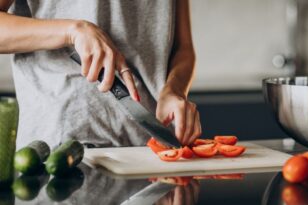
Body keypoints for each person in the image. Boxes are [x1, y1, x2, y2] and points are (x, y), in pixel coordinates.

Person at [0, 0, 201, 148]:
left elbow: (183, 48)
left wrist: (174, 90)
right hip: (60, 147)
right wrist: (73, 31)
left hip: (149, 148)